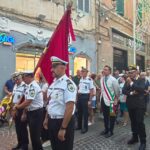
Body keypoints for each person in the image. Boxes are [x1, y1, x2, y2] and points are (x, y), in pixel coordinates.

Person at [43, 56, 77, 150]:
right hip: (52, 121)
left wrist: (63, 128)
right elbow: (51, 103)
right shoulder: (54, 84)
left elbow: (70, 108)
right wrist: (46, 118)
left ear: (62, 67)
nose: (51, 69)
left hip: (63, 121)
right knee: (55, 146)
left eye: (54, 66)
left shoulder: (69, 84)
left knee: (64, 147)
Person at [14, 71, 44, 150]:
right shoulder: (29, 86)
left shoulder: (33, 86)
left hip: (36, 113)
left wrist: (17, 107)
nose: (23, 79)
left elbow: (28, 101)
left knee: (35, 137)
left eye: (24, 77)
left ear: (30, 77)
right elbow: (28, 101)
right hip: (31, 112)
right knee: (33, 136)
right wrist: (24, 113)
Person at [122, 66, 146, 150]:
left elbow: (141, 89)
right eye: (129, 72)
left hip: (139, 106)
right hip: (131, 105)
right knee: (133, 123)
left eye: (132, 72)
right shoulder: (128, 80)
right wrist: (132, 93)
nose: (130, 74)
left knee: (140, 123)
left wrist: (132, 83)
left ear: (136, 72)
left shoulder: (141, 79)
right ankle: (135, 138)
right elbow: (123, 90)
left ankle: (143, 142)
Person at [100, 65, 120, 138]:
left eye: (106, 70)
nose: (104, 71)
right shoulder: (102, 79)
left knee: (112, 117)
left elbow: (117, 91)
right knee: (105, 116)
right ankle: (106, 129)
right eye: (104, 69)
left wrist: (116, 99)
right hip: (103, 100)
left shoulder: (113, 80)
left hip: (112, 101)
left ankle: (111, 131)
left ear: (109, 71)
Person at [11, 72, 29, 150]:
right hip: (15, 108)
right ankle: (20, 143)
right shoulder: (15, 86)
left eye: (18, 79)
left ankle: (25, 145)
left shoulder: (25, 86)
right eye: (15, 80)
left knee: (23, 128)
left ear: (21, 78)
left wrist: (24, 113)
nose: (17, 81)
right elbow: (13, 98)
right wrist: (12, 109)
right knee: (17, 127)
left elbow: (25, 99)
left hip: (21, 109)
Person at [77, 67, 94, 133]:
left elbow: (91, 90)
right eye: (82, 71)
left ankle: (85, 128)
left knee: (85, 113)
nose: (82, 72)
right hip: (80, 96)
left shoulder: (89, 80)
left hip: (85, 96)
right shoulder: (81, 79)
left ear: (86, 72)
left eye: (83, 71)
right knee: (79, 112)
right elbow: (79, 88)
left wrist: (90, 100)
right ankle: (79, 126)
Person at [38, 72, 49, 148]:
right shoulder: (44, 84)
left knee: (45, 123)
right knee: (43, 122)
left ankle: (46, 138)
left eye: (42, 75)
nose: (41, 76)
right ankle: (44, 137)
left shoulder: (46, 85)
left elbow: (45, 98)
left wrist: (44, 98)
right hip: (43, 106)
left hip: (45, 106)